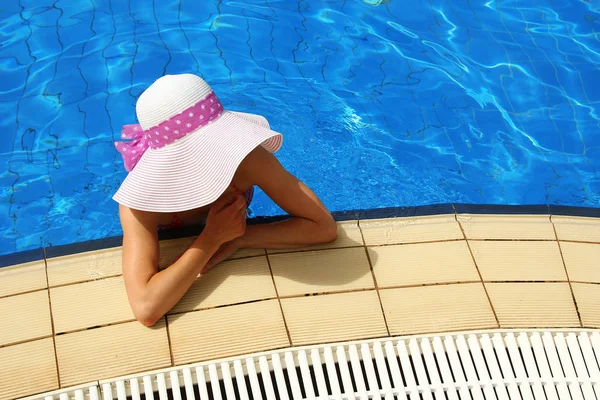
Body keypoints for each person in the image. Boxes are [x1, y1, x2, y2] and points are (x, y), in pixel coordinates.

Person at [113, 74, 337, 327]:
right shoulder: (141, 205)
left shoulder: (247, 159)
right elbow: (146, 307)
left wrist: (240, 238)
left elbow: (323, 227)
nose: (218, 158)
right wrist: (212, 238)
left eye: (216, 145)